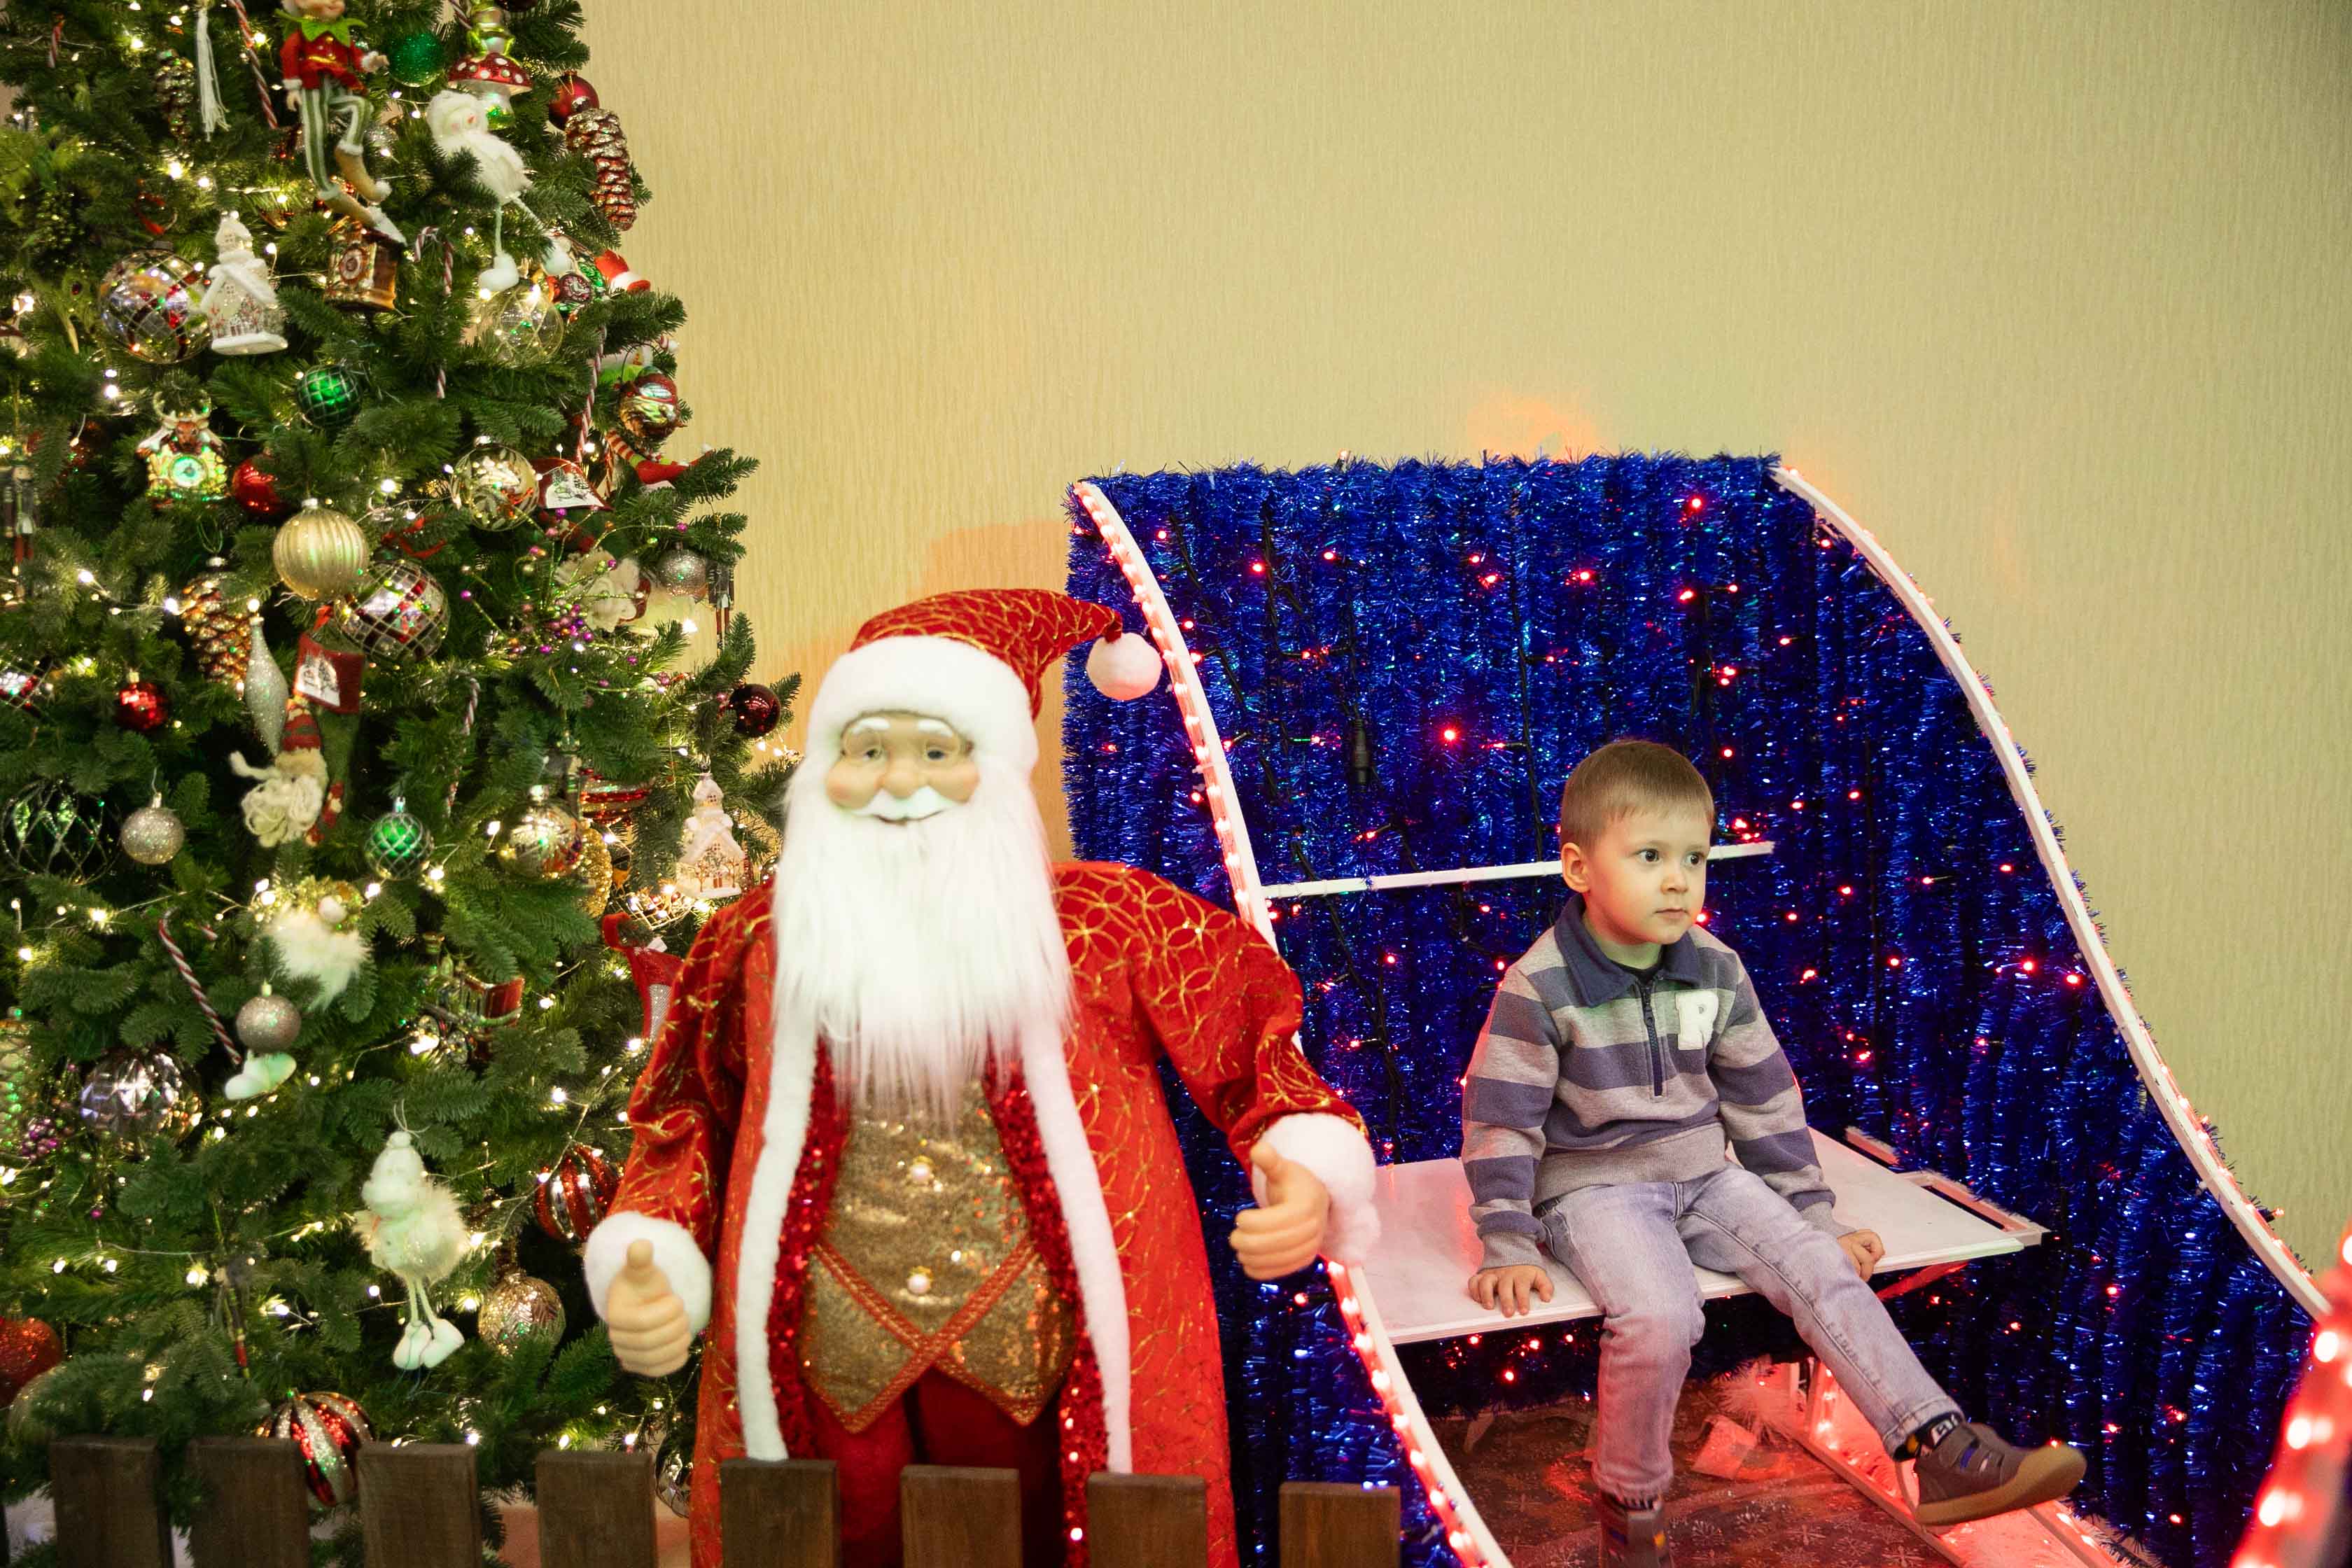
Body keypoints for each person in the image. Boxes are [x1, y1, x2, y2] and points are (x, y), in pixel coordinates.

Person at [584, 588, 1379, 1568]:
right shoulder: (754, 940)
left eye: (936, 751)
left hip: (1059, 1355)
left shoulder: (1113, 923)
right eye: (866, 751)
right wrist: (655, 1249)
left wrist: (1303, 1168)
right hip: (824, 1358)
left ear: (999, 770)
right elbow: (684, 1113)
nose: (898, 783)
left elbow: (1258, 1047)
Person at [1460, 738, 2085, 1567]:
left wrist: (1812, 1212)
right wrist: (1508, 1236)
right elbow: (1501, 1119)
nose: (1678, 880)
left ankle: (1938, 1447)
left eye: (1694, 857)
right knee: (1662, 1314)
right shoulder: (1539, 985)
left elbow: (1763, 1096)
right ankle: (1630, 1506)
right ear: (1579, 867)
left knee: (1821, 1264)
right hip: (1594, 1188)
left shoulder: (1716, 968)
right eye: (1650, 857)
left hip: (1705, 1173)